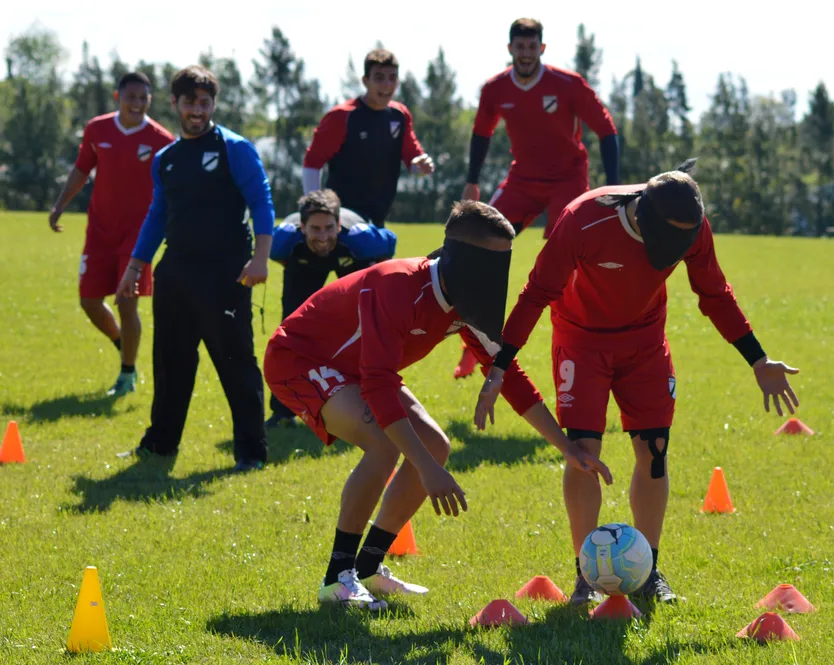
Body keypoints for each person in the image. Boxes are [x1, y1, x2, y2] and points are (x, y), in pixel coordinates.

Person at [475, 161, 800, 606]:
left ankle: (647, 570)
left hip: (646, 343)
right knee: (584, 453)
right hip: (581, 343)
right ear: (646, 221)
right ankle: (585, 574)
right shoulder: (584, 219)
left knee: (655, 453)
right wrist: (500, 367)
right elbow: (535, 294)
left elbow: (715, 293)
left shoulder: (692, 226)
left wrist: (758, 359)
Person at [263, 200, 612, 610]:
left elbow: (508, 375)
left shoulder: (464, 298)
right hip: (300, 361)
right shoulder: (395, 285)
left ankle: (370, 568)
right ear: (462, 259)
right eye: (489, 263)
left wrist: (566, 447)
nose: (494, 277)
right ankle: (337, 579)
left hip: (360, 368)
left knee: (436, 446)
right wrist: (428, 473)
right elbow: (377, 384)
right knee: (385, 443)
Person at [115, 65, 275, 471]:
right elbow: (157, 214)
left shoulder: (233, 148)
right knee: (170, 360)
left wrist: (260, 257)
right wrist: (136, 267)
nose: (197, 110)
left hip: (226, 272)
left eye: (205, 103)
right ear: (175, 104)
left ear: (213, 104)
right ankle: (160, 444)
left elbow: (262, 202)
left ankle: (251, 454)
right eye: (190, 102)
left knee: (235, 361)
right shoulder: (166, 159)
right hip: (176, 271)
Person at [453, 17, 620, 379]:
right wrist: (472, 182)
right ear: (510, 48)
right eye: (520, 46)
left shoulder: (567, 84)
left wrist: (614, 183)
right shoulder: (494, 89)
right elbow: (481, 133)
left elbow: (606, 129)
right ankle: (473, 344)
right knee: (477, 247)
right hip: (522, 179)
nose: (526, 53)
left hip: (567, 181)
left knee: (563, 267)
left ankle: (577, 349)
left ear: (542, 49)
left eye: (532, 47)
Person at [48, 72, 174, 396]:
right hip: (99, 231)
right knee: (89, 301)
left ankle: (127, 374)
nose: (137, 103)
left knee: (126, 302)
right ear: (118, 97)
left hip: (138, 235)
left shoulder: (162, 140)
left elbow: (174, 188)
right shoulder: (97, 129)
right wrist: (60, 204)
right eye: (131, 96)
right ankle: (122, 344)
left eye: (143, 98)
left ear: (150, 100)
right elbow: (81, 168)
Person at [266, 188, 397, 427]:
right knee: (291, 332)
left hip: (349, 256)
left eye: (329, 228)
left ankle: (368, 403)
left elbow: (389, 246)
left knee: (363, 330)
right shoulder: (284, 241)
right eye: (315, 228)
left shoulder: (361, 240)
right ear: (302, 227)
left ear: (338, 225)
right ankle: (283, 411)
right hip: (304, 259)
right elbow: (275, 255)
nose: (323, 236)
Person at [301, 48, 434, 226]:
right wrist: (314, 211)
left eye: (392, 78)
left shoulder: (400, 115)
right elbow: (312, 163)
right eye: (379, 78)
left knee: (380, 247)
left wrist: (421, 166)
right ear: (365, 81)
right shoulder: (342, 116)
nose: (387, 84)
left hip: (378, 216)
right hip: (341, 217)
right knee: (368, 244)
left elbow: (413, 157)